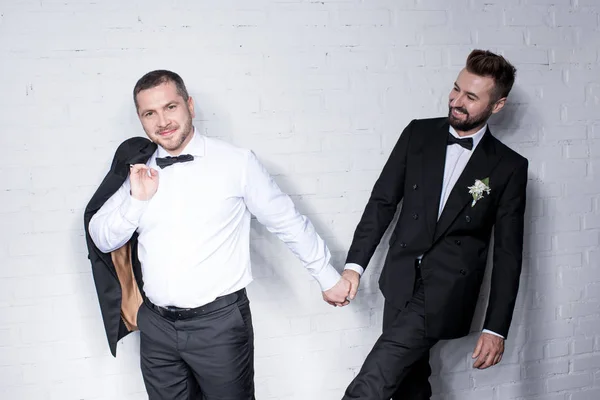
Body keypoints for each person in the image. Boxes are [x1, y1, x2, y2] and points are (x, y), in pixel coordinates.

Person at [84, 70, 352, 400]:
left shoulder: (236, 163)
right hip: (155, 327)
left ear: (190, 105)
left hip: (219, 326)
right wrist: (137, 202)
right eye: (149, 113)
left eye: (170, 107)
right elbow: (101, 238)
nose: (162, 121)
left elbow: (288, 221)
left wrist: (328, 278)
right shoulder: (136, 170)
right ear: (140, 120)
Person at [339, 49, 529, 399]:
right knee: (410, 381)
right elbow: (382, 202)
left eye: (471, 97)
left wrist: (496, 328)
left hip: (445, 291)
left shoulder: (508, 167)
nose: (456, 101)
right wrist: (354, 267)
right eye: (456, 89)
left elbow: (508, 255)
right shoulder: (418, 134)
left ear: (497, 105)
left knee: (374, 379)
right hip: (399, 280)